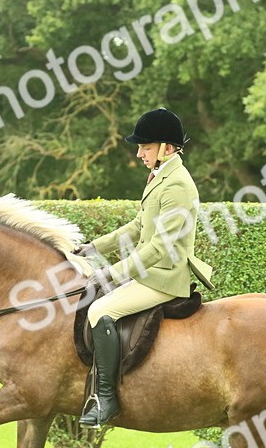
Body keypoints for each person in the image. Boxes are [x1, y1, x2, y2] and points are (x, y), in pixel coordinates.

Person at [74, 108, 214, 427]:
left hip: (163, 277)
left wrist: (112, 273)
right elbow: (138, 226)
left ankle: (106, 400)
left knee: (100, 311)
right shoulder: (160, 177)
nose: (139, 154)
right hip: (150, 272)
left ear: (167, 148)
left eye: (145, 147)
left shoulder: (177, 185)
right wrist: (95, 247)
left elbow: (158, 247)